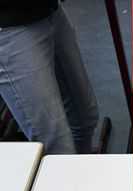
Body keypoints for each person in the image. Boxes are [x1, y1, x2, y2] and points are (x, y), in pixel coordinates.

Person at [0, 0, 98, 154]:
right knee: (58, 148)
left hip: (50, 10)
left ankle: (79, 166)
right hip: (11, 23)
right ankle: (66, 168)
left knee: (84, 120)